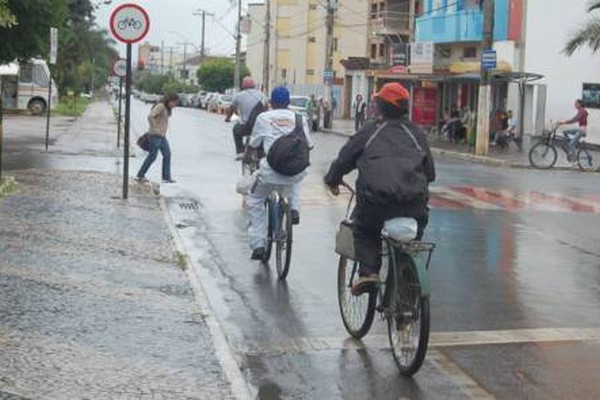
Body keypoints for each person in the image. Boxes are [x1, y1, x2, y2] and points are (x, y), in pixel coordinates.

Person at [324, 83, 436, 295]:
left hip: (375, 204)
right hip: (414, 206)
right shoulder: (417, 134)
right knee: (413, 236)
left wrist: (332, 179)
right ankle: (407, 279)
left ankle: (368, 273)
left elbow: (344, 160)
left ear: (380, 107)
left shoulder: (369, 131)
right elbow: (430, 174)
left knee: (364, 231)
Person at [247, 87, 314, 260]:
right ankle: (293, 209)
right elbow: (309, 144)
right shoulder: (300, 118)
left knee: (254, 200)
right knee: (297, 178)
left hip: (270, 171)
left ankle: (259, 244)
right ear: (288, 102)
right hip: (294, 172)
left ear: (271, 102)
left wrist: (248, 157)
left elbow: (254, 144)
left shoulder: (264, 117)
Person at [136, 93, 179, 183]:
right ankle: (140, 175)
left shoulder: (167, 108)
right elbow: (150, 116)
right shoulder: (161, 106)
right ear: (170, 101)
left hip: (162, 136)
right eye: (174, 103)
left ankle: (166, 177)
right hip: (154, 135)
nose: (175, 105)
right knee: (152, 156)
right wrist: (155, 128)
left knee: (167, 155)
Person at [225, 76, 267, 160]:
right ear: (254, 85)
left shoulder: (238, 96)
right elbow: (266, 109)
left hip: (245, 127)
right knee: (261, 139)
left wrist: (228, 118)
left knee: (236, 130)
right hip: (259, 127)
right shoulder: (262, 95)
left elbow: (231, 109)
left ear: (243, 86)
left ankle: (240, 152)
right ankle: (261, 155)